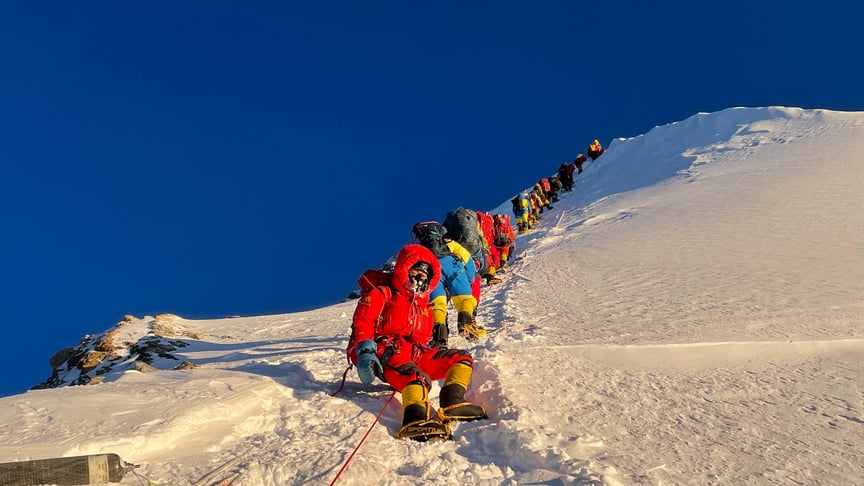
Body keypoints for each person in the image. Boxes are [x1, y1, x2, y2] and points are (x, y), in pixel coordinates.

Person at [350, 244, 488, 441]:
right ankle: (414, 420)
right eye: (416, 270)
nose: (420, 277)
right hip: (387, 351)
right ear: (404, 269)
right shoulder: (383, 292)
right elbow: (363, 320)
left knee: (461, 358)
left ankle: (453, 402)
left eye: (425, 274)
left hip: (415, 352)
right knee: (417, 377)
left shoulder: (423, 306)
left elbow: (423, 338)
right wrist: (365, 350)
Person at [412, 222, 486, 347]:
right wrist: (469, 279)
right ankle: (465, 323)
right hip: (455, 271)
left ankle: (439, 338)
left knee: (437, 305)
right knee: (465, 299)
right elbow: (467, 259)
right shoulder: (449, 243)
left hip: (433, 275)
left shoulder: (421, 250)